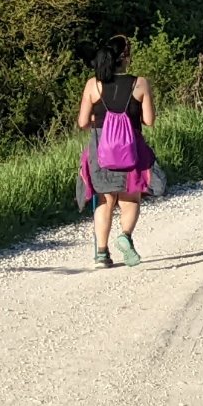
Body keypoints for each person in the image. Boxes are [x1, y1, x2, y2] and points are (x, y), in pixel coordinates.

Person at [77, 36, 158, 268]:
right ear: (126, 58)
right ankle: (125, 236)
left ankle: (102, 254)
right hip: (130, 148)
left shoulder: (93, 85)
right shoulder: (140, 84)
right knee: (130, 197)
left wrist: (100, 122)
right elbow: (149, 120)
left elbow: (83, 122)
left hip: (100, 149)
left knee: (105, 199)